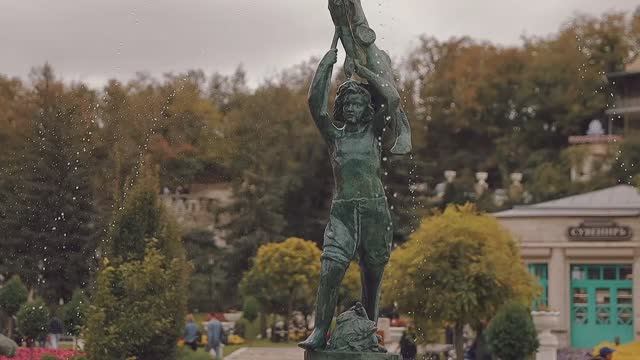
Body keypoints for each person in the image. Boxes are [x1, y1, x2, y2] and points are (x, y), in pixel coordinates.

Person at [298, 44, 402, 351]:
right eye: (348, 105)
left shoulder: (374, 133)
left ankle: (368, 336)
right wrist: (325, 66)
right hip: (343, 214)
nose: (353, 109)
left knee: (372, 279)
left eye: (358, 104)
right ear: (342, 108)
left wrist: (362, 67)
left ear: (366, 109)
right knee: (331, 270)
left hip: (374, 213)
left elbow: (393, 98)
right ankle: (320, 330)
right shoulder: (335, 136)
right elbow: (315, 104)